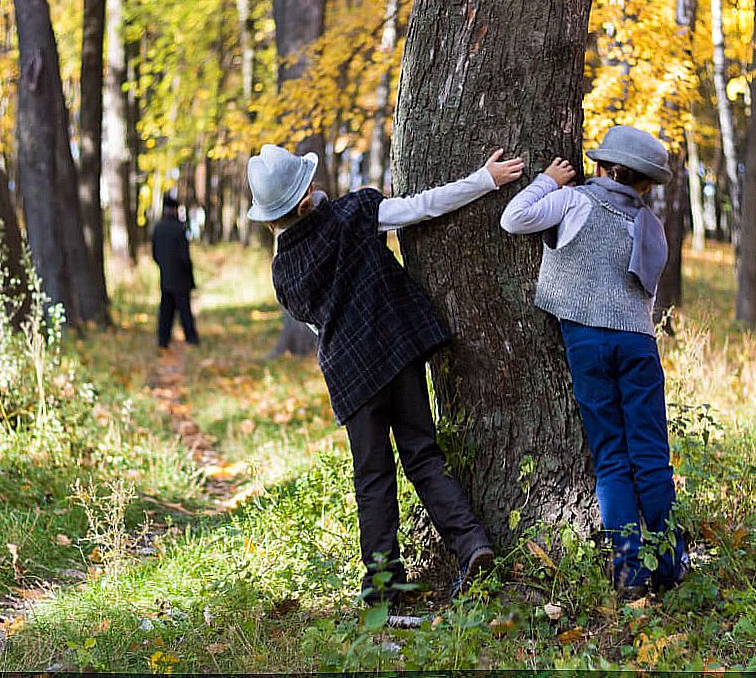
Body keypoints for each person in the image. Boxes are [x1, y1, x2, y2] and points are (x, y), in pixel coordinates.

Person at [246, 144, 524, 607]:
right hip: (398, 352)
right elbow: (420, 207)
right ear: (306, 197)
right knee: (422, 456)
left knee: (372, 478)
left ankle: (383, 587)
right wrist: (484, 180)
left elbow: (316, 321)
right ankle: (471, 541)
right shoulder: (354, 213)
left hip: (352, 376)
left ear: (272, 218)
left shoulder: (283, 271)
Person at [499, 125, 689, 599]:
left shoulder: (574, 200)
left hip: (586, 339)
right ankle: (670, 560)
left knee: (611, 459)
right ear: (644, 184)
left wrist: (547, 180)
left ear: (602, 167)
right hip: (638, 345)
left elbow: (513, 217)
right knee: (650, 455)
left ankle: (629, 570)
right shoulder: (650, 226)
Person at [151, 195, 199, 349]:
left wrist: (164, 267)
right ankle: (191, 339)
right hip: (181, 279)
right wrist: (188, 273)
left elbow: (155, 255)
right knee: (185, 311)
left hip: (165, 277)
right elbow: (184, 256)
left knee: (166, 312)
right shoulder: (180, 229)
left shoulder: (158, 228)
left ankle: (162, 340)